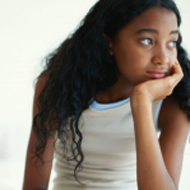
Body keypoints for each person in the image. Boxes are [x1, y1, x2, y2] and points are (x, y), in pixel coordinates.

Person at [23, 0, 190, 189]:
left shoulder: (176, 101)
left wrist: (142, 100)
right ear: (109, 42)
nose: (163, 58)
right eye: (147, 41)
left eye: (172, 42)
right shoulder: (57, 85)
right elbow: (34, 185)